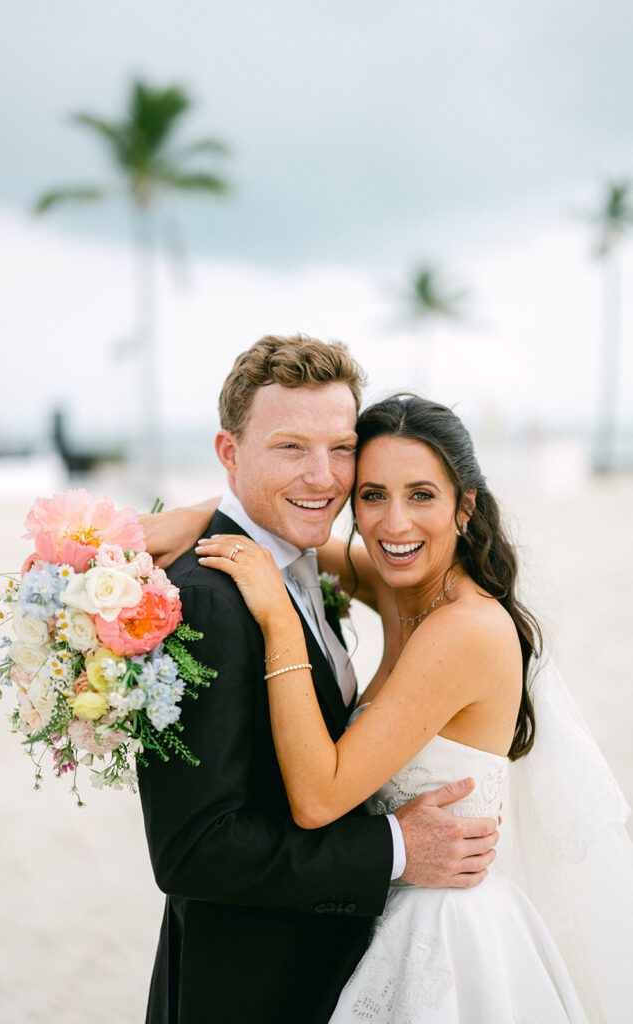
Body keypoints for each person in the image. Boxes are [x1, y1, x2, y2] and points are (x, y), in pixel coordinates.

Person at [152, 393, 633, 1022]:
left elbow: (320, 797)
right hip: (378, 919)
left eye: (422, 495)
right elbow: (270, 530)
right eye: (373, 495)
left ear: (465, 504)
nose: (394, 524)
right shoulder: (397, 579)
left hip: (447, 931)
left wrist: (278, 618)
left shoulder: (466, 629)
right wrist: (190, 518)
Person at [136, 337, 500, 1024]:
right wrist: (395, 848)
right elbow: (192, 849)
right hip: (245, 989)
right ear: (229, 452)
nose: (322, 478)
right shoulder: (208, 601)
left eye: (339, 450)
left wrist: (199, 516)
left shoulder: (307, 564)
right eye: (290, 448)